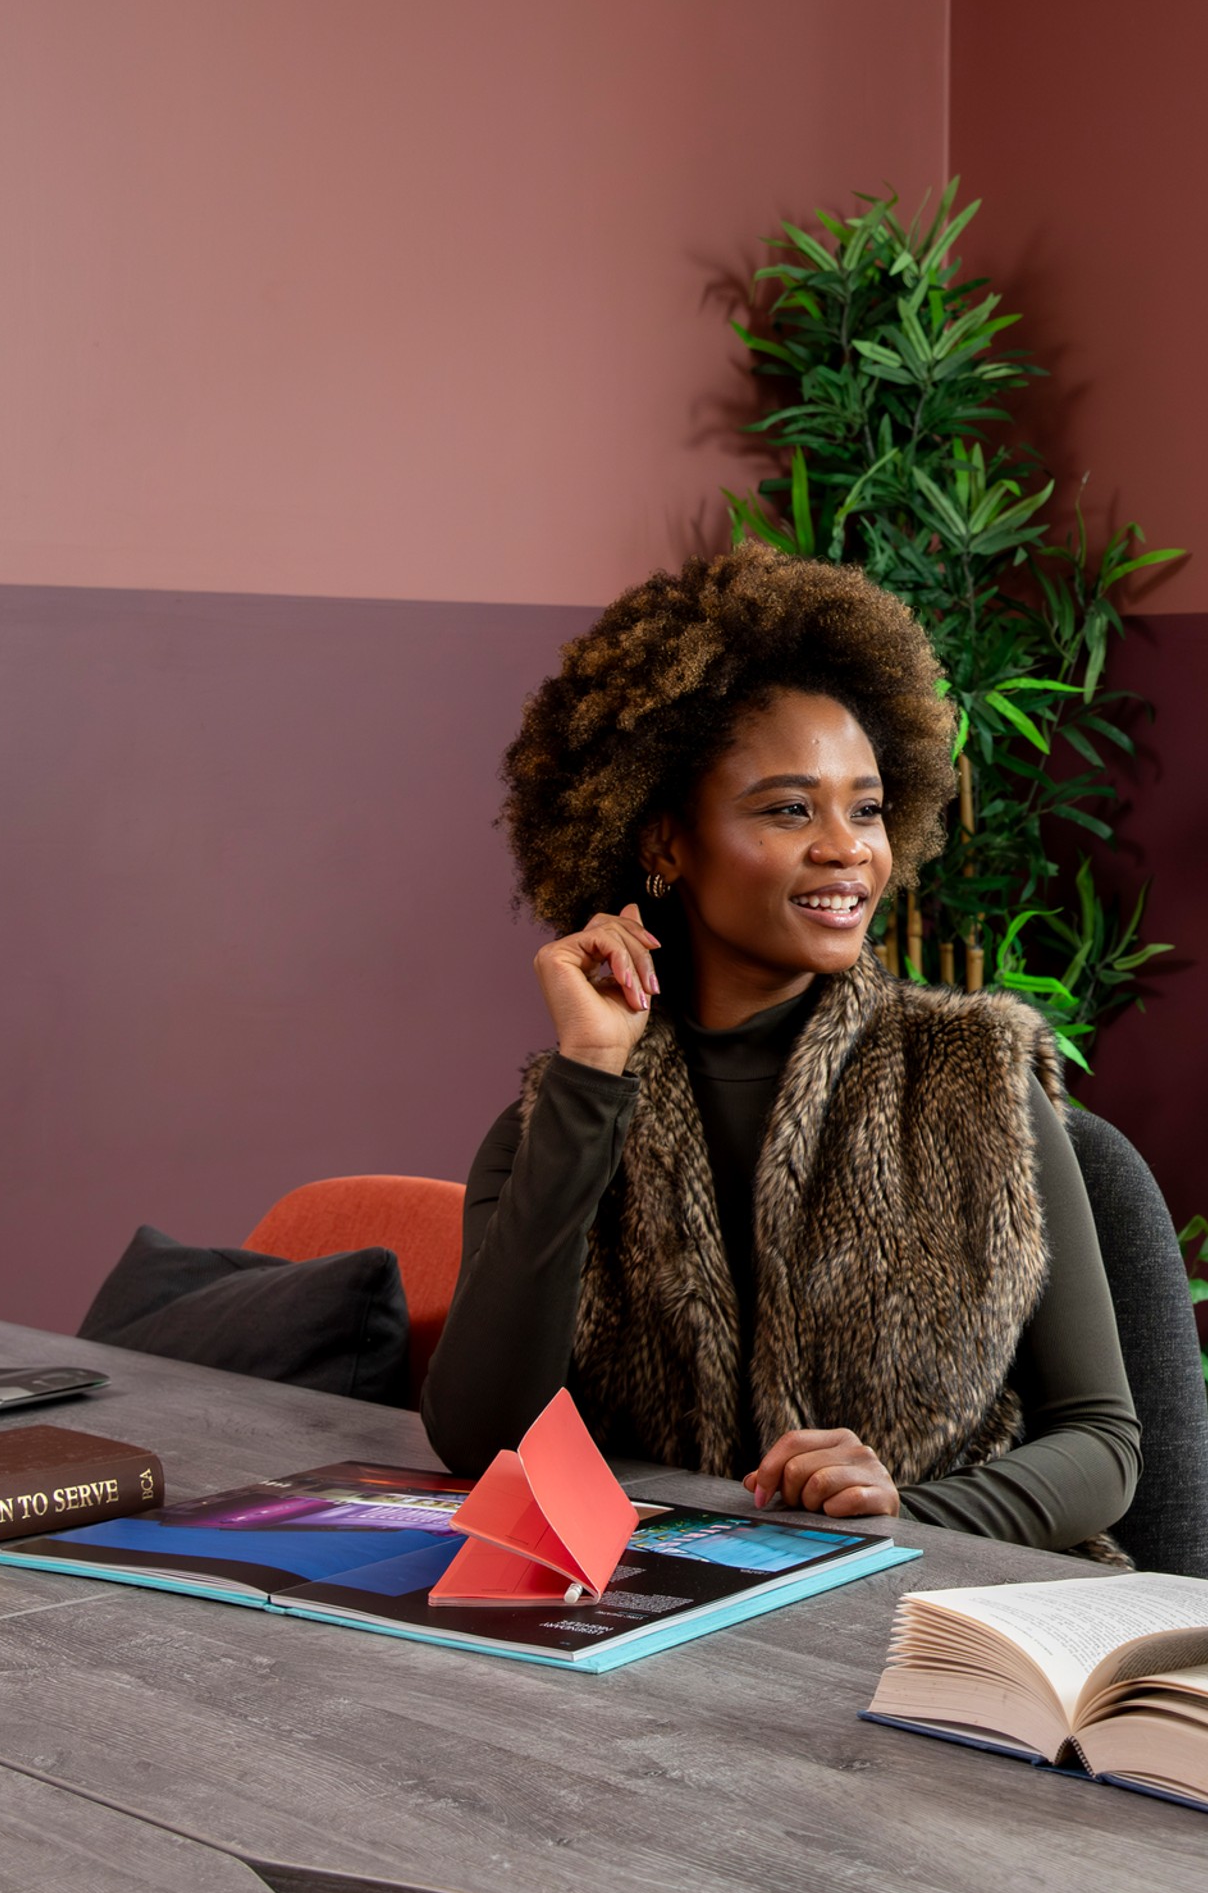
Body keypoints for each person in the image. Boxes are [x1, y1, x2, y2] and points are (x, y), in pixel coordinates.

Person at [421, 548, 1141, 1556]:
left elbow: (1105, 1445)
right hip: (667, 1636)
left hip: (942, 1624)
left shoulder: (973, 1081)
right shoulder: (553, 1127)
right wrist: (589, 1076)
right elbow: (477, 1438)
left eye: (869, 806)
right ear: (665, 840)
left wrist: (899, 1514)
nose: (849, 847)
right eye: (790, 807)